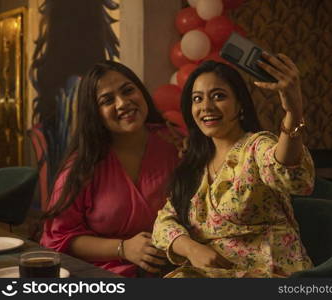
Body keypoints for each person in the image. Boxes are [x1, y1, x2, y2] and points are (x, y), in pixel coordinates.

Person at [152, 55, 315, 278]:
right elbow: (164, 222)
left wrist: (293, 113)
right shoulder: (194, 163)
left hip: (267, 273)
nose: (206, 107)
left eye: (218, 96)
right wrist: (192, 248)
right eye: (197, 99)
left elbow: (289, 174)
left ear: (240, 104)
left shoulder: (256, 146)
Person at [40, 60, 182, 277]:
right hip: (106, 275)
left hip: (175, 269)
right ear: (94, 113)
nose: (123, 103)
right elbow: (58, 238)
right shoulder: (83, 164)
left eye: (128, 90)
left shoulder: (175, 142)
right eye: (107, 100)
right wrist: (123, 249)